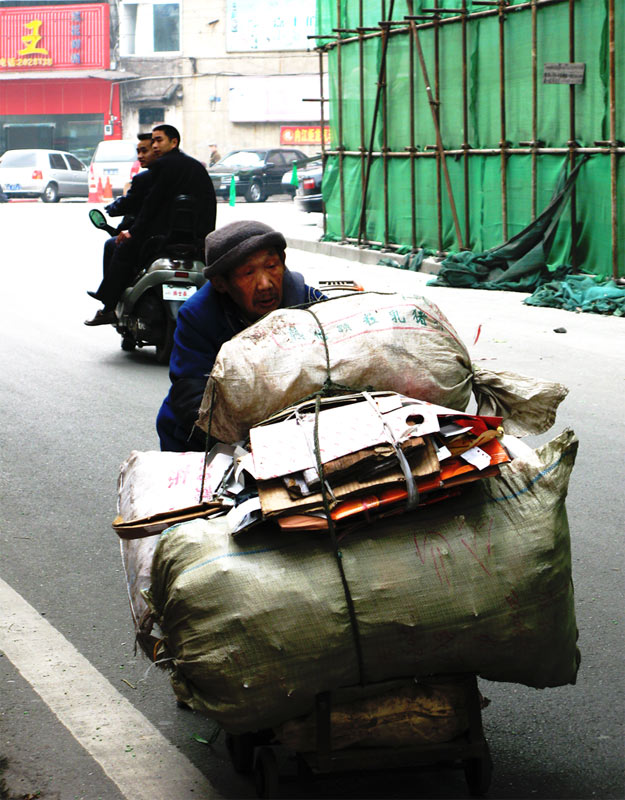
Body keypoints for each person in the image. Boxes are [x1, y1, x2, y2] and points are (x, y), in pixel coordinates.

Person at [156, 220, 325, 452]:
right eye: (248, 273)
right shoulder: (197, 316)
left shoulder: (309, 301)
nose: (265, 284)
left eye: (272, 266)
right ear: (220, 283)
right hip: (200, 439)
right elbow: (191, 395)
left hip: (290, 431)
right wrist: (243, 442)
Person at [85, 124, 217, 327]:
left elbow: (152, 204)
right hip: (195, 238)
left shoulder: (162, 166)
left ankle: (109, 305)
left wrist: (133, 232)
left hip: (163, 237)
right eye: (152, 141)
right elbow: (208, 204)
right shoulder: (193, 166)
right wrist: (205, 237)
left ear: (174, 142)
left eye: (159, 140)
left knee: (118, 246)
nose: (155, 145)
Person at [85, 134, 157, 321]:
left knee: (113, 245)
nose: (140, 155)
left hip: (151, 238)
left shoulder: (147, 178)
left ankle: (109, 302)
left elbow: (131, 204)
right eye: (138, 151)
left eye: (145, 151)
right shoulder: (181, 175)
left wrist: (113, 209)